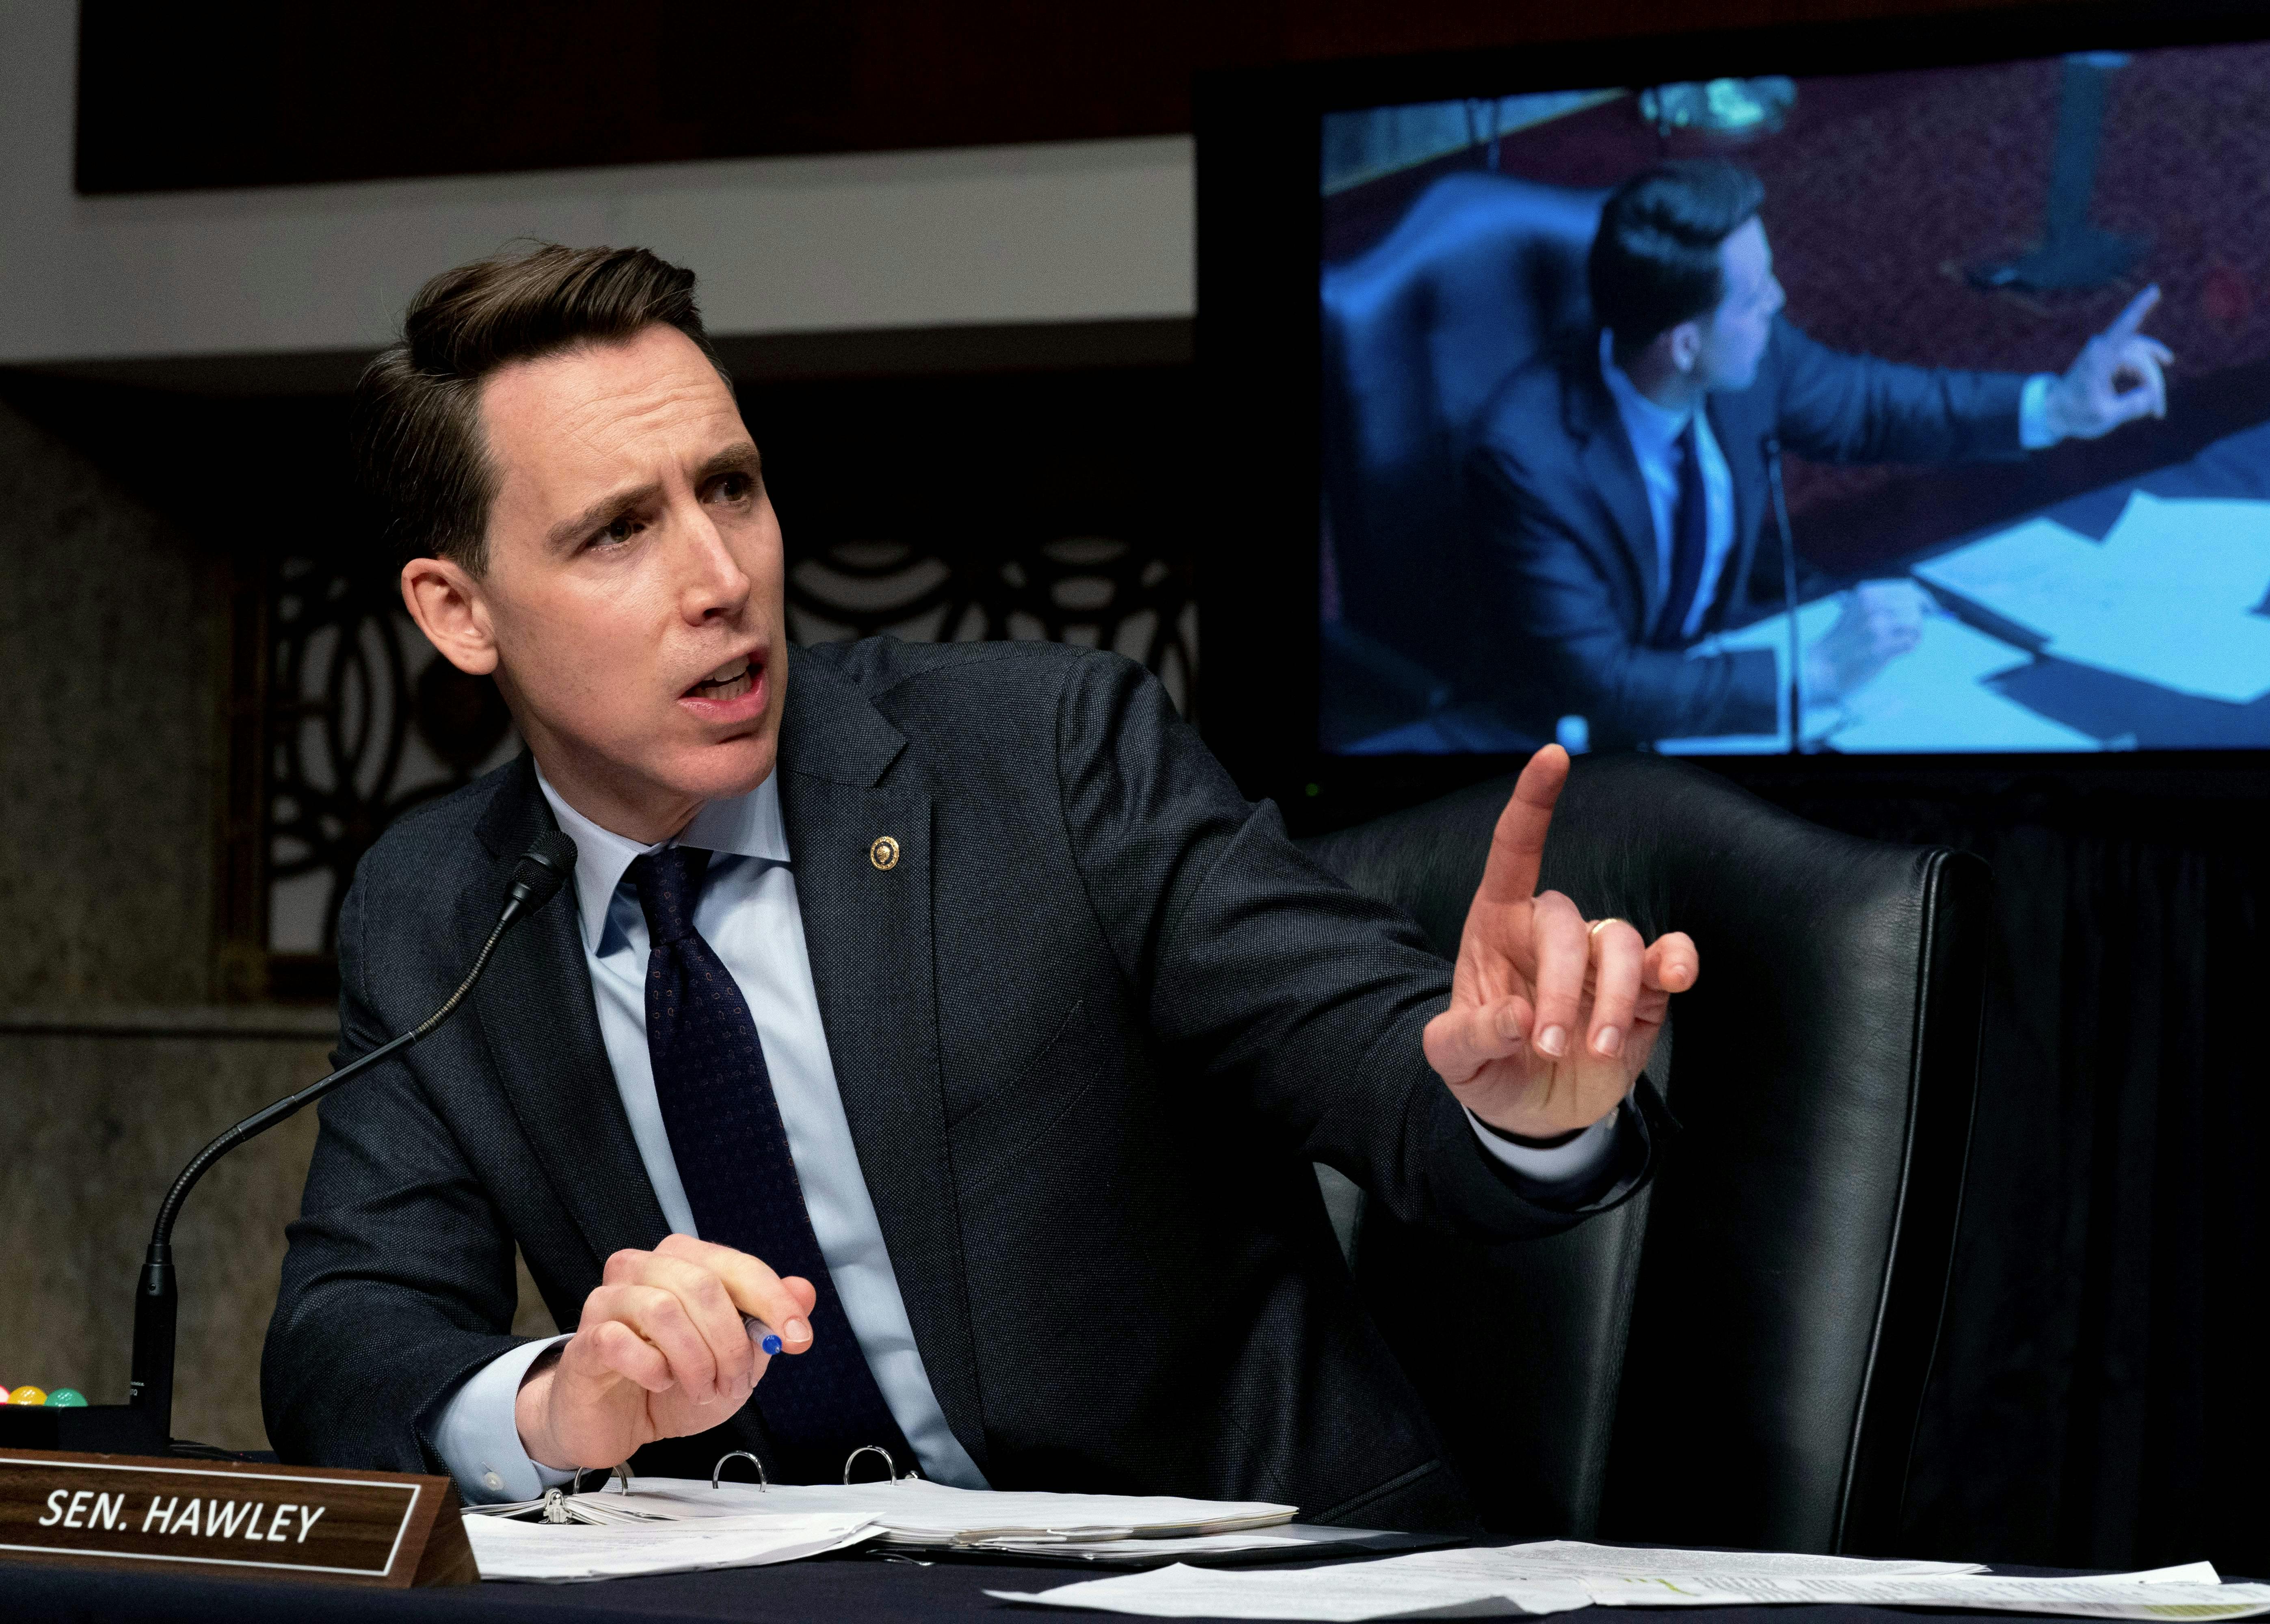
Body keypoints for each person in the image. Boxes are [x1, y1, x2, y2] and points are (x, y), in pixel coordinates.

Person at [263, 244, 1700, 1531]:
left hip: (1217, 1581)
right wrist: (553, 1406)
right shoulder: (437, 905)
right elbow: (347, 1337)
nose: (720, 578)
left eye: (732, 488)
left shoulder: (1047, 756)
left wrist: (1517, 1108)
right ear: (459, 612)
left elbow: (1374, 1053)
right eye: (618, 531)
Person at [1466, 159, 2174, 744]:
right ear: (1683, 345)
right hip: (1571, 746)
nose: (1777, 301)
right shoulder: (1529, 459)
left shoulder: (1747, 357)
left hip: (1715, 671)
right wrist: (1812, 674)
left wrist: (2056, 407)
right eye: (1753, 297)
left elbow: (1872, 406)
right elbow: (1602, 682)